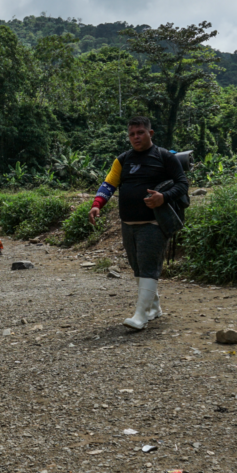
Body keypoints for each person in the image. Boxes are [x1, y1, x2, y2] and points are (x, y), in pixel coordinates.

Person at [89, 116, 188, 330]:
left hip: (154, 222)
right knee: (137, 267)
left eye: (140, 132)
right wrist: (97, 204)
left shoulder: (164, 157)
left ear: (150, 134)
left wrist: (164, 197)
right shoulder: (123, 160)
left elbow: (182, 184)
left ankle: (140, 316)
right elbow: (109, 184)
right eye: (132, 134)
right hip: (128, 223)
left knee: (148, 267)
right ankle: (154, 308)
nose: (136, 137)